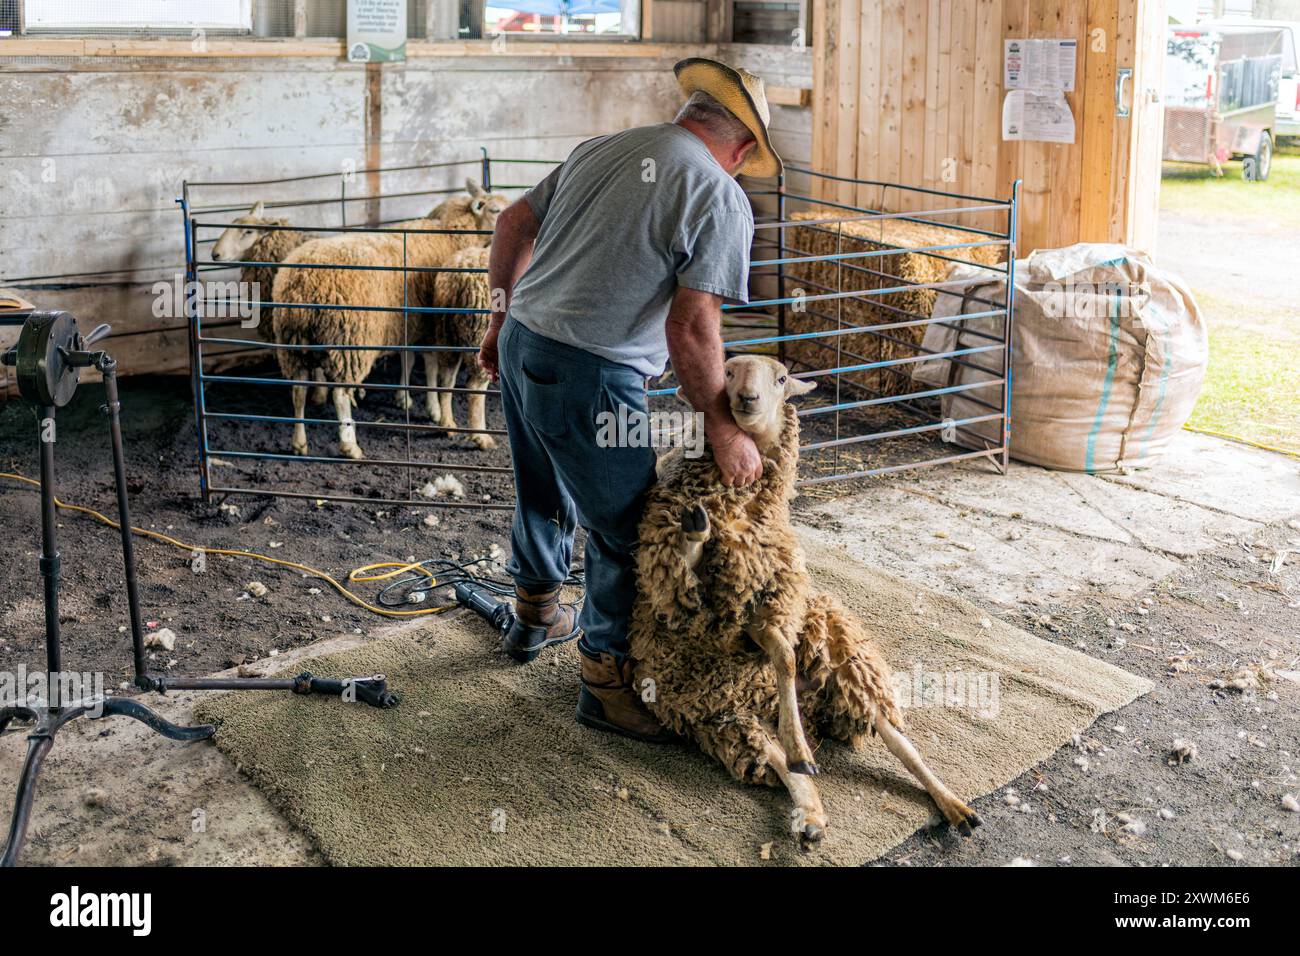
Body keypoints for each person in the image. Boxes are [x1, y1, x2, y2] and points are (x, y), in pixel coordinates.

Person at [477, 58, 783, 742]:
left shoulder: (604, 149)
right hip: (592, 371)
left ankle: (534, 615)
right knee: (627, 526)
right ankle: (606, 685)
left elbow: (508, 224)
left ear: (692, 115)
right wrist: (722, 426)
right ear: (741, 147)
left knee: (542, 485)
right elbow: (693, 326)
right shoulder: (718, 192)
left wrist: (498, 321)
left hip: (525, 341)